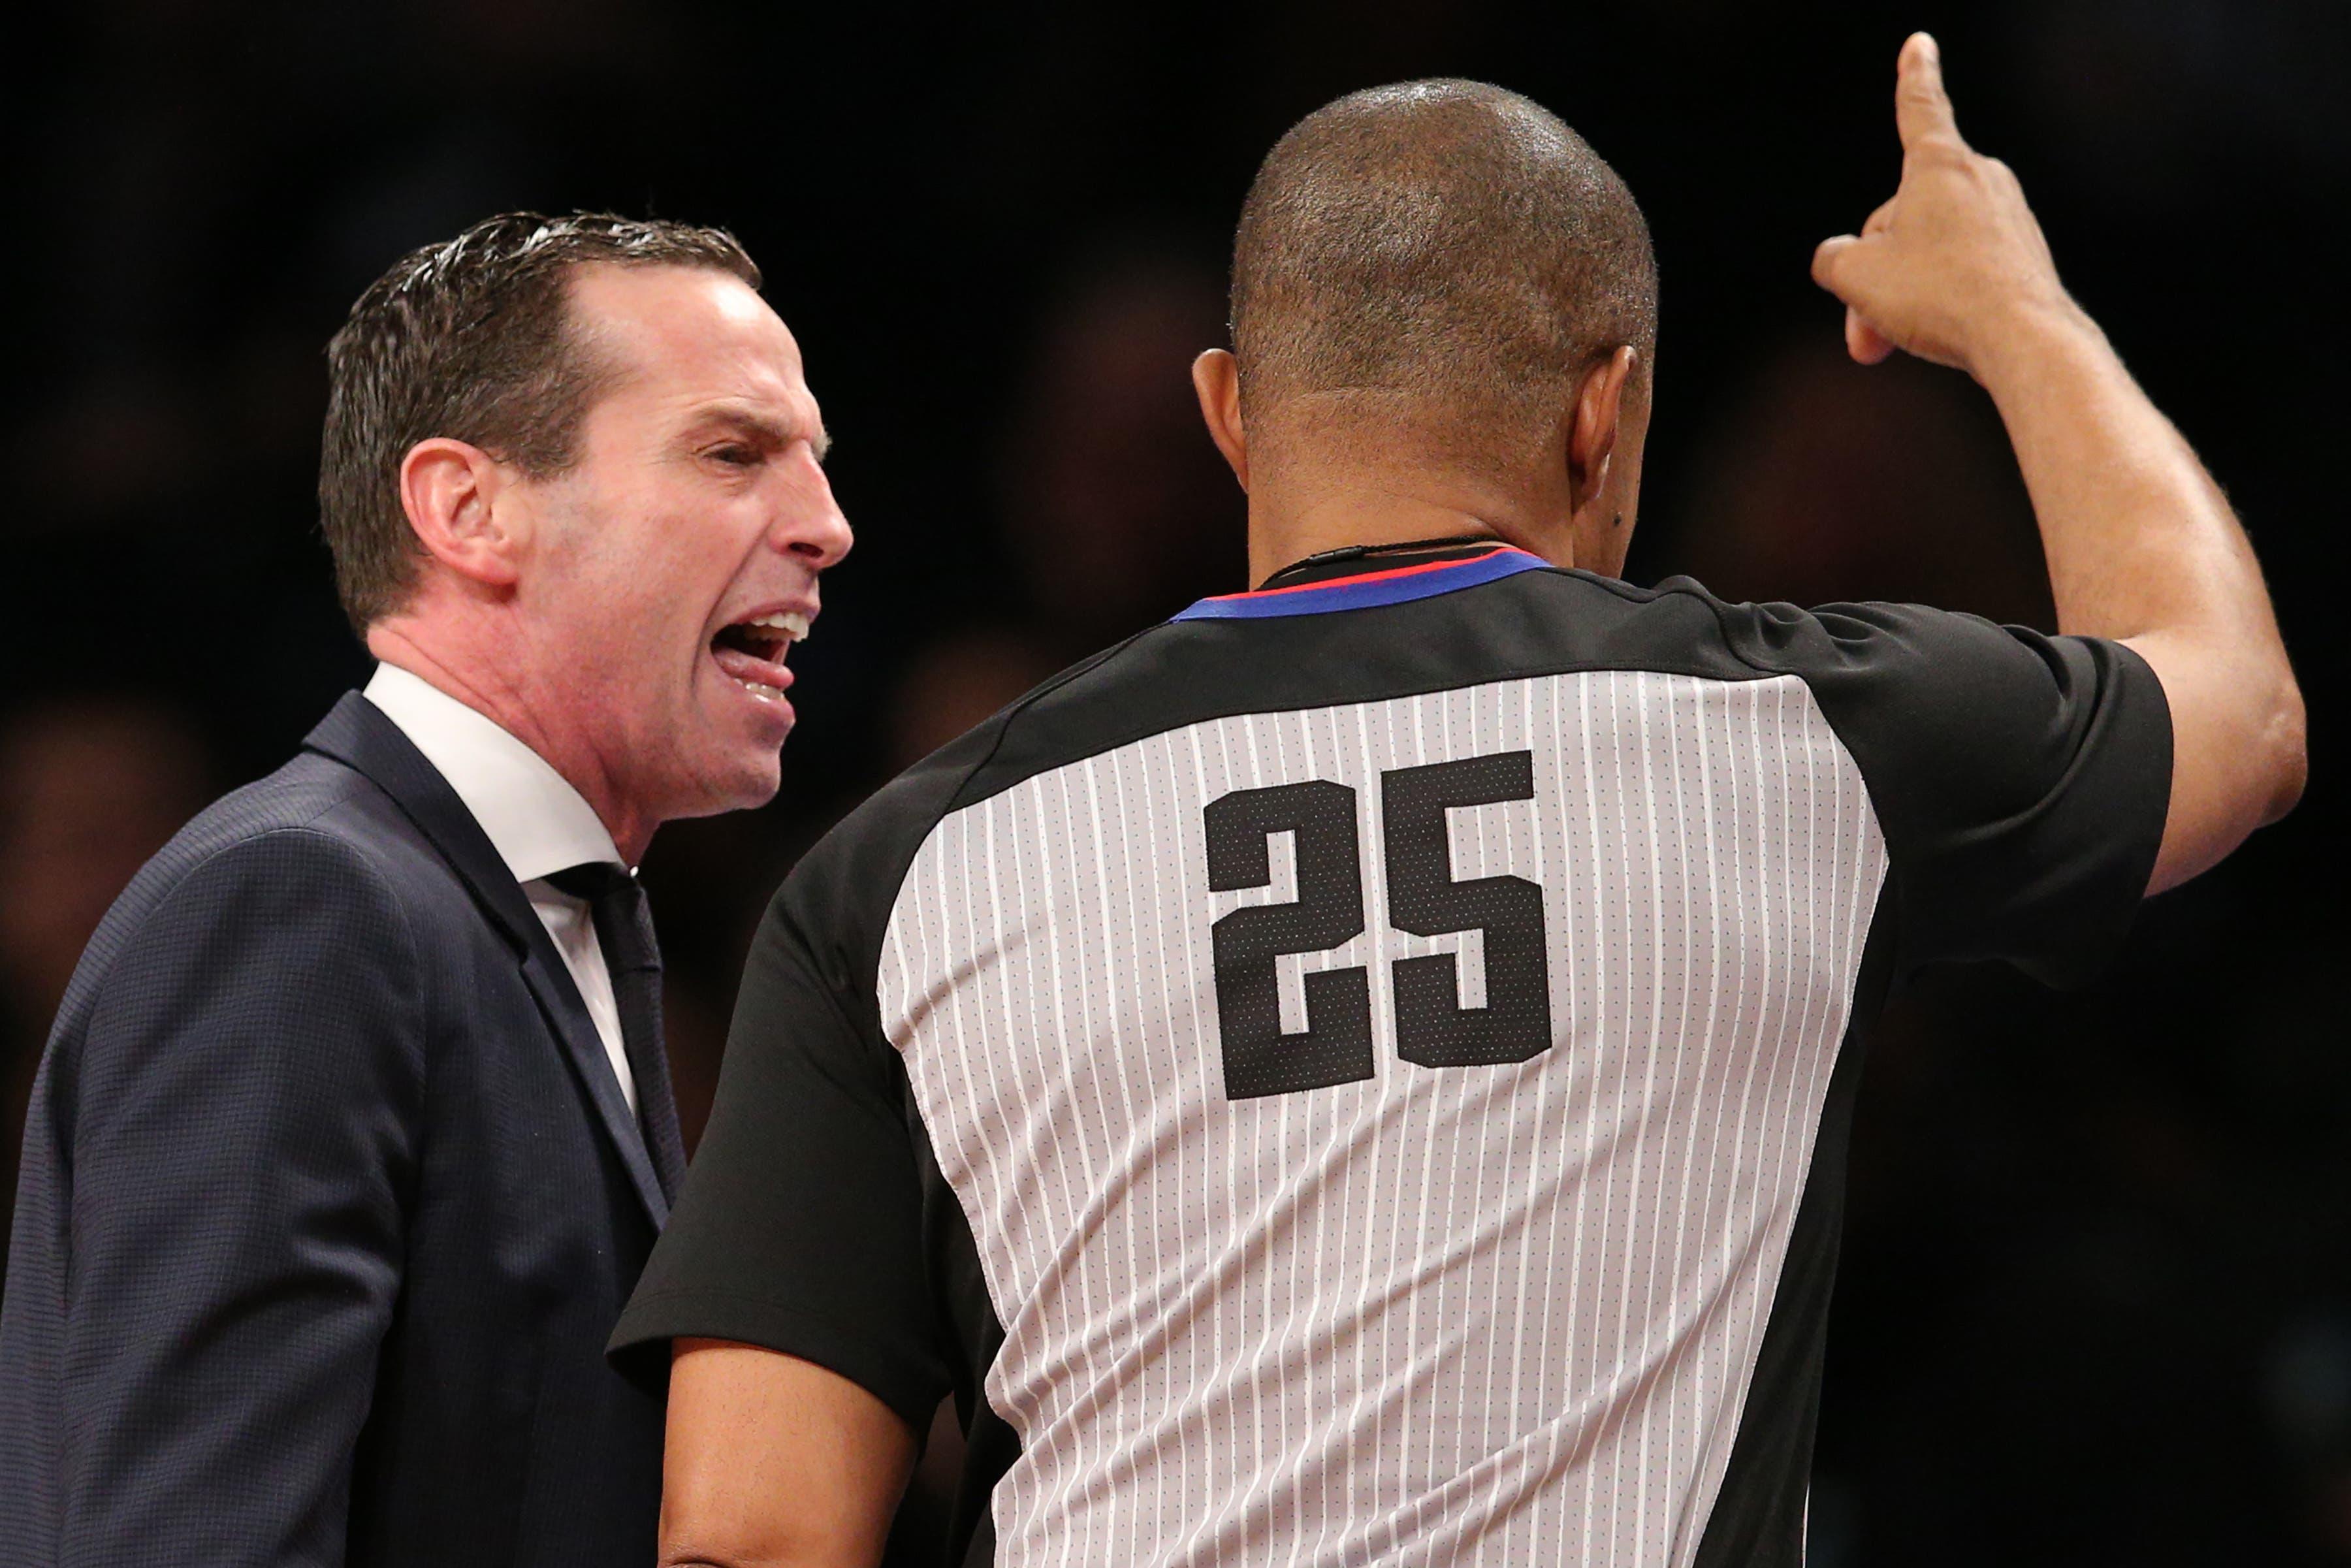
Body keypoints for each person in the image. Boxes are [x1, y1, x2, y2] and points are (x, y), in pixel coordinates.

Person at [611, 37, 2303, 1566]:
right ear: (1604, 415)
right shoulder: (1806, 741)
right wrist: (2020, 313)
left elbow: (752, 1533)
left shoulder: (903, 874)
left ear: (1228, 416)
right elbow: (2236, 712)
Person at [0, 212, 851, 1567]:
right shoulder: (295, 906)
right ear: (471, 510)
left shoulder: (552, 914)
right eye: (734, 453)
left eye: (814, 462)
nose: (827, 527)